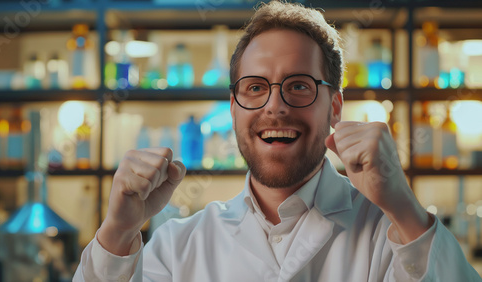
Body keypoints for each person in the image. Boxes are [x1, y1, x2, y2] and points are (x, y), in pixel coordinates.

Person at [73, 2, 481, 281]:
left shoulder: (389, 235)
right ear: (233, 107)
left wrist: (404, 206)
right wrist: (118, 229)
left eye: (299, 86)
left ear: (335, 107)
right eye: (254, 87)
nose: (276, 107)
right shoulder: (179, 246)